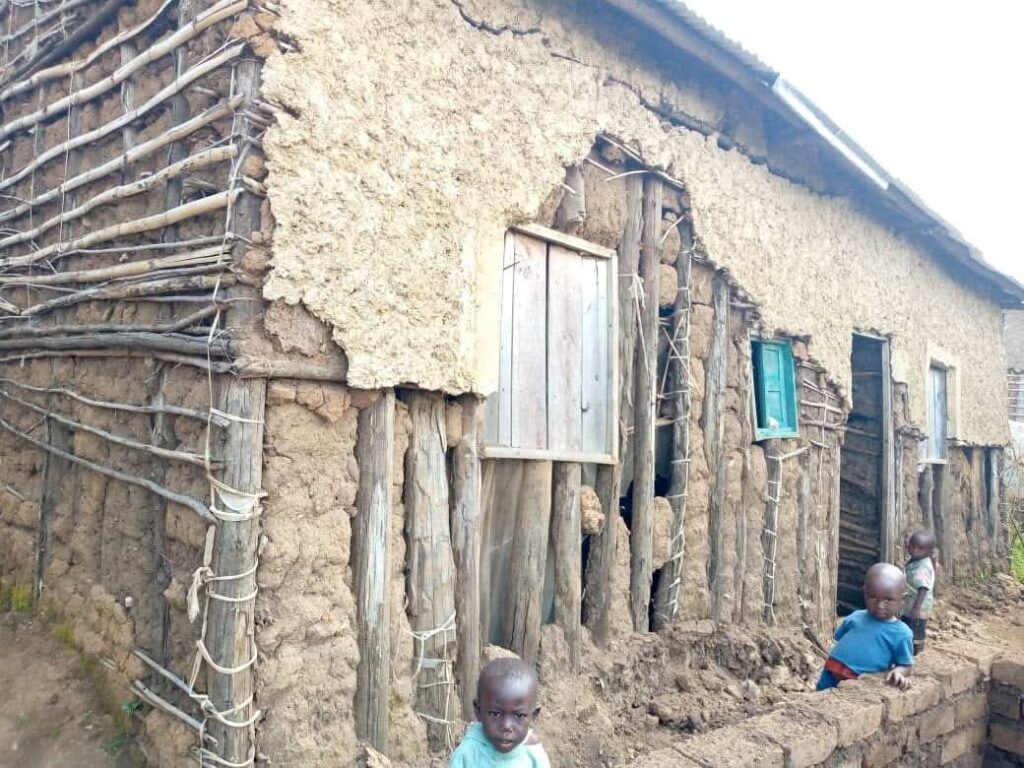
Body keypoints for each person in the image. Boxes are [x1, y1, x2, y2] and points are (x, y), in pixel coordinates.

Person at [816, 562, 914, 691]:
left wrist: (899, 672)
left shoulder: (902, 634)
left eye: (888, 600)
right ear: (864, 593)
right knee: (821, 698)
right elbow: (839, 637)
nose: (880, 605)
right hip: (831, 669)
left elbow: (906, 664)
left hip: (855, 680)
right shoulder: (856, 617)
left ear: (902, 600)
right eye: (873, 598)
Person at [449, 657, 550, 767]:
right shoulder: (467, 755)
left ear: (533, 715)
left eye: (519, 715)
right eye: (495, 714)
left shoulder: (533, 754)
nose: (506, 726)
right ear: (478, 711)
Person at [901, 530, 936, 655]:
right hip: (910, 603)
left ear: (929, 551)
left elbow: (923, 588)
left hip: (918, 605)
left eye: (920, 548)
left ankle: (917, 653)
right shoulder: (915, 560)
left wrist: (916, 608)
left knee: (915, 630)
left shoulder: (923, 567)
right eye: (912, 546)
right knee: (907, 627)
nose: (915, 550)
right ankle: (906, 652)